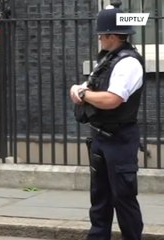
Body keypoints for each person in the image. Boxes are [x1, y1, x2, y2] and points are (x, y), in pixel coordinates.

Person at [69, 2, 144, 240]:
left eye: (101, 34)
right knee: (100, 198)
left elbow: (112, 99)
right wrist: (83, 89)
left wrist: (82, 94)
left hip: (120, 140)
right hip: (101, 137)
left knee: (123, 198)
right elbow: (94, 86)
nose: (99, 38)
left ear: (112, 35)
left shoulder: (128, 62)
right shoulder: (108, 60)